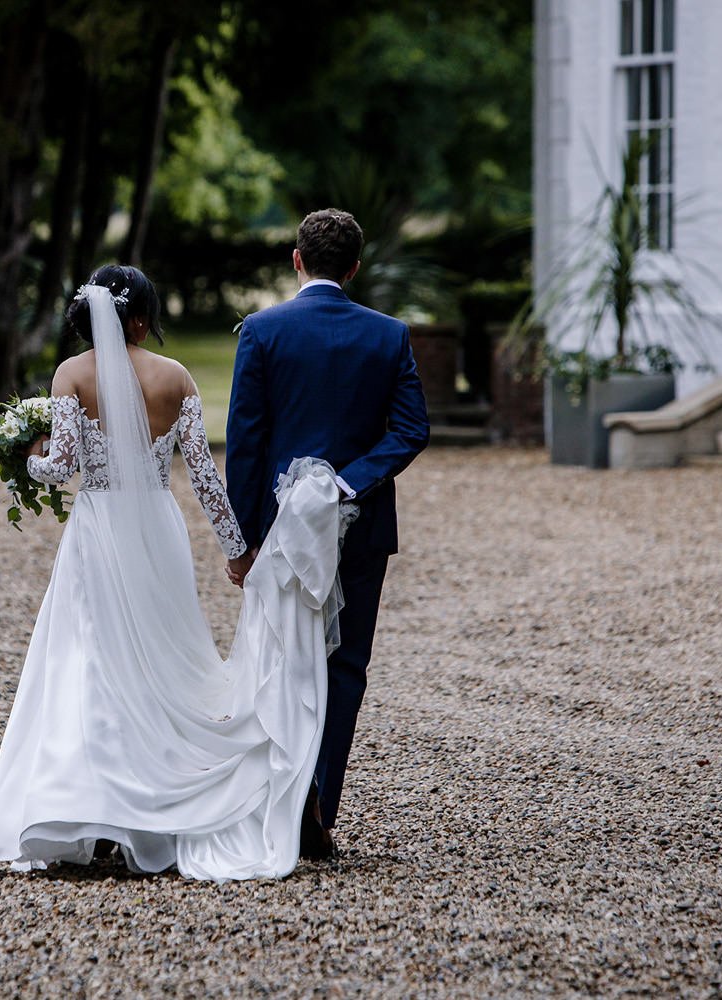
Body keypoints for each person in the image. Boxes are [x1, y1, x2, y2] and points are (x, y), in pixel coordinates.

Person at [0, 264, 349, 882]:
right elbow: (202, 477)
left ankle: (91, 815)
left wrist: (26, 458)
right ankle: (155, 809)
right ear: (140, 318)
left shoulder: (71, 375)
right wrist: (236, 550)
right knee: (162, 660)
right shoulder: (177, 379)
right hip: (160, 532)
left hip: (97, 529)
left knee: (90, 660)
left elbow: (61, 465)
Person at [225, 208, 430, 859]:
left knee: (282, 661)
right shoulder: (389, 335)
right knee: (345, 667)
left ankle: (272, 802)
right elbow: (410, 430)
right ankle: (318, 806)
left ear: (296, 260)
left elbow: (247, 445)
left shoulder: (262, 331)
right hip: (362, 525)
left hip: (281, 533)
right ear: (355, 267)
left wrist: (245, 538)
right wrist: (349, 483)